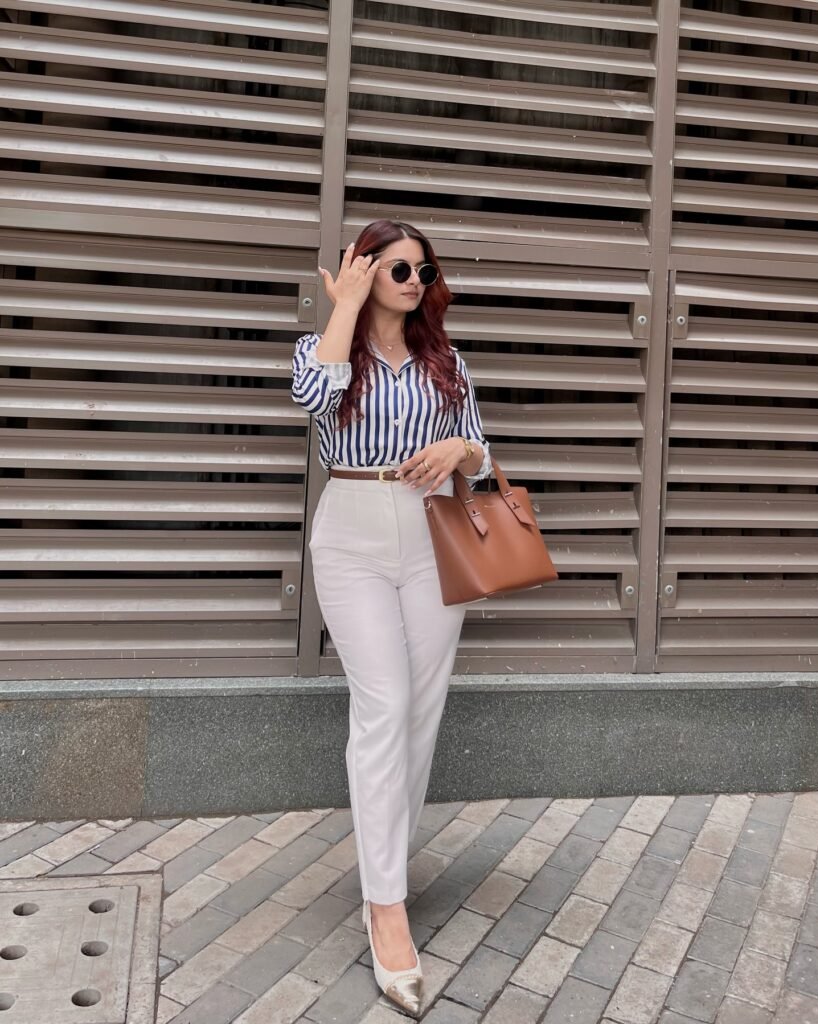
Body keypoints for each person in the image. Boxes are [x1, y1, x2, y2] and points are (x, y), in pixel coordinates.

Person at [291, 219, 491, 1015]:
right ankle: (386, 910)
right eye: (398, 267)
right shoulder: (329, 351)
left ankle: (386, 871)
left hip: (435, 528)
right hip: (353, 529)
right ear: (367, 270)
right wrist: (340, 307)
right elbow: (314, 399)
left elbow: (481, 444)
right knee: (385, 704)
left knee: (423, 710)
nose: (414, 280)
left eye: (423, 268)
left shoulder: (446, 360)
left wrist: (458, 455)